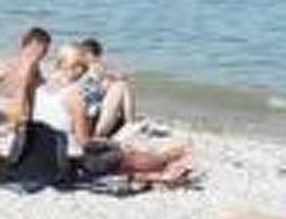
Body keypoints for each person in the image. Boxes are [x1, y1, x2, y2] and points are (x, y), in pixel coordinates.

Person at [51, 48, 197, 187]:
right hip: (76, 160)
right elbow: (84, 143)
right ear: (77, 69)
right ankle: (166, 160)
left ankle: (161, 165)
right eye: (84, 69)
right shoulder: (73, 97)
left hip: (55, 155)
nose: (85, 74)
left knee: (122, 152)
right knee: (125, 155)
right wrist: (111, 144)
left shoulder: (45, 89)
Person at [71, 38, 137, 140]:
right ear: (92, 55)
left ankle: (129, 123)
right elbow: (121, 76)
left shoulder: (75, 71)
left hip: (82, 123)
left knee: (117, 85)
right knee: (122, 85)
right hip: (91, 126)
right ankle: (130, 123)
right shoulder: (96, 67)